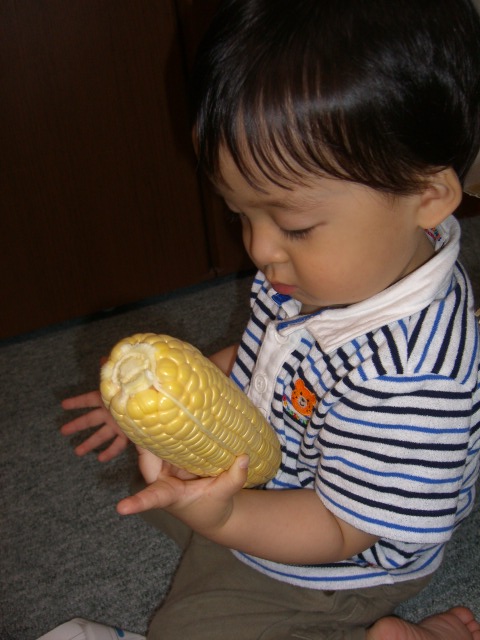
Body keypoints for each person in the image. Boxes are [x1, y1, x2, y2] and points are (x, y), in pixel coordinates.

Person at [61, 1, 480, 638]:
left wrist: (227, 520)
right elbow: (261, 361)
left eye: (294, 225)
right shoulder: (318, 270)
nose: (259, 249)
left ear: (427, 197)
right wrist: (172, 399)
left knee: (186, 631)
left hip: (341, 560)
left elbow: (340, 528)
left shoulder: (413, 378)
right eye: (240, 214)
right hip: (284, 467)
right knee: (157, 488)